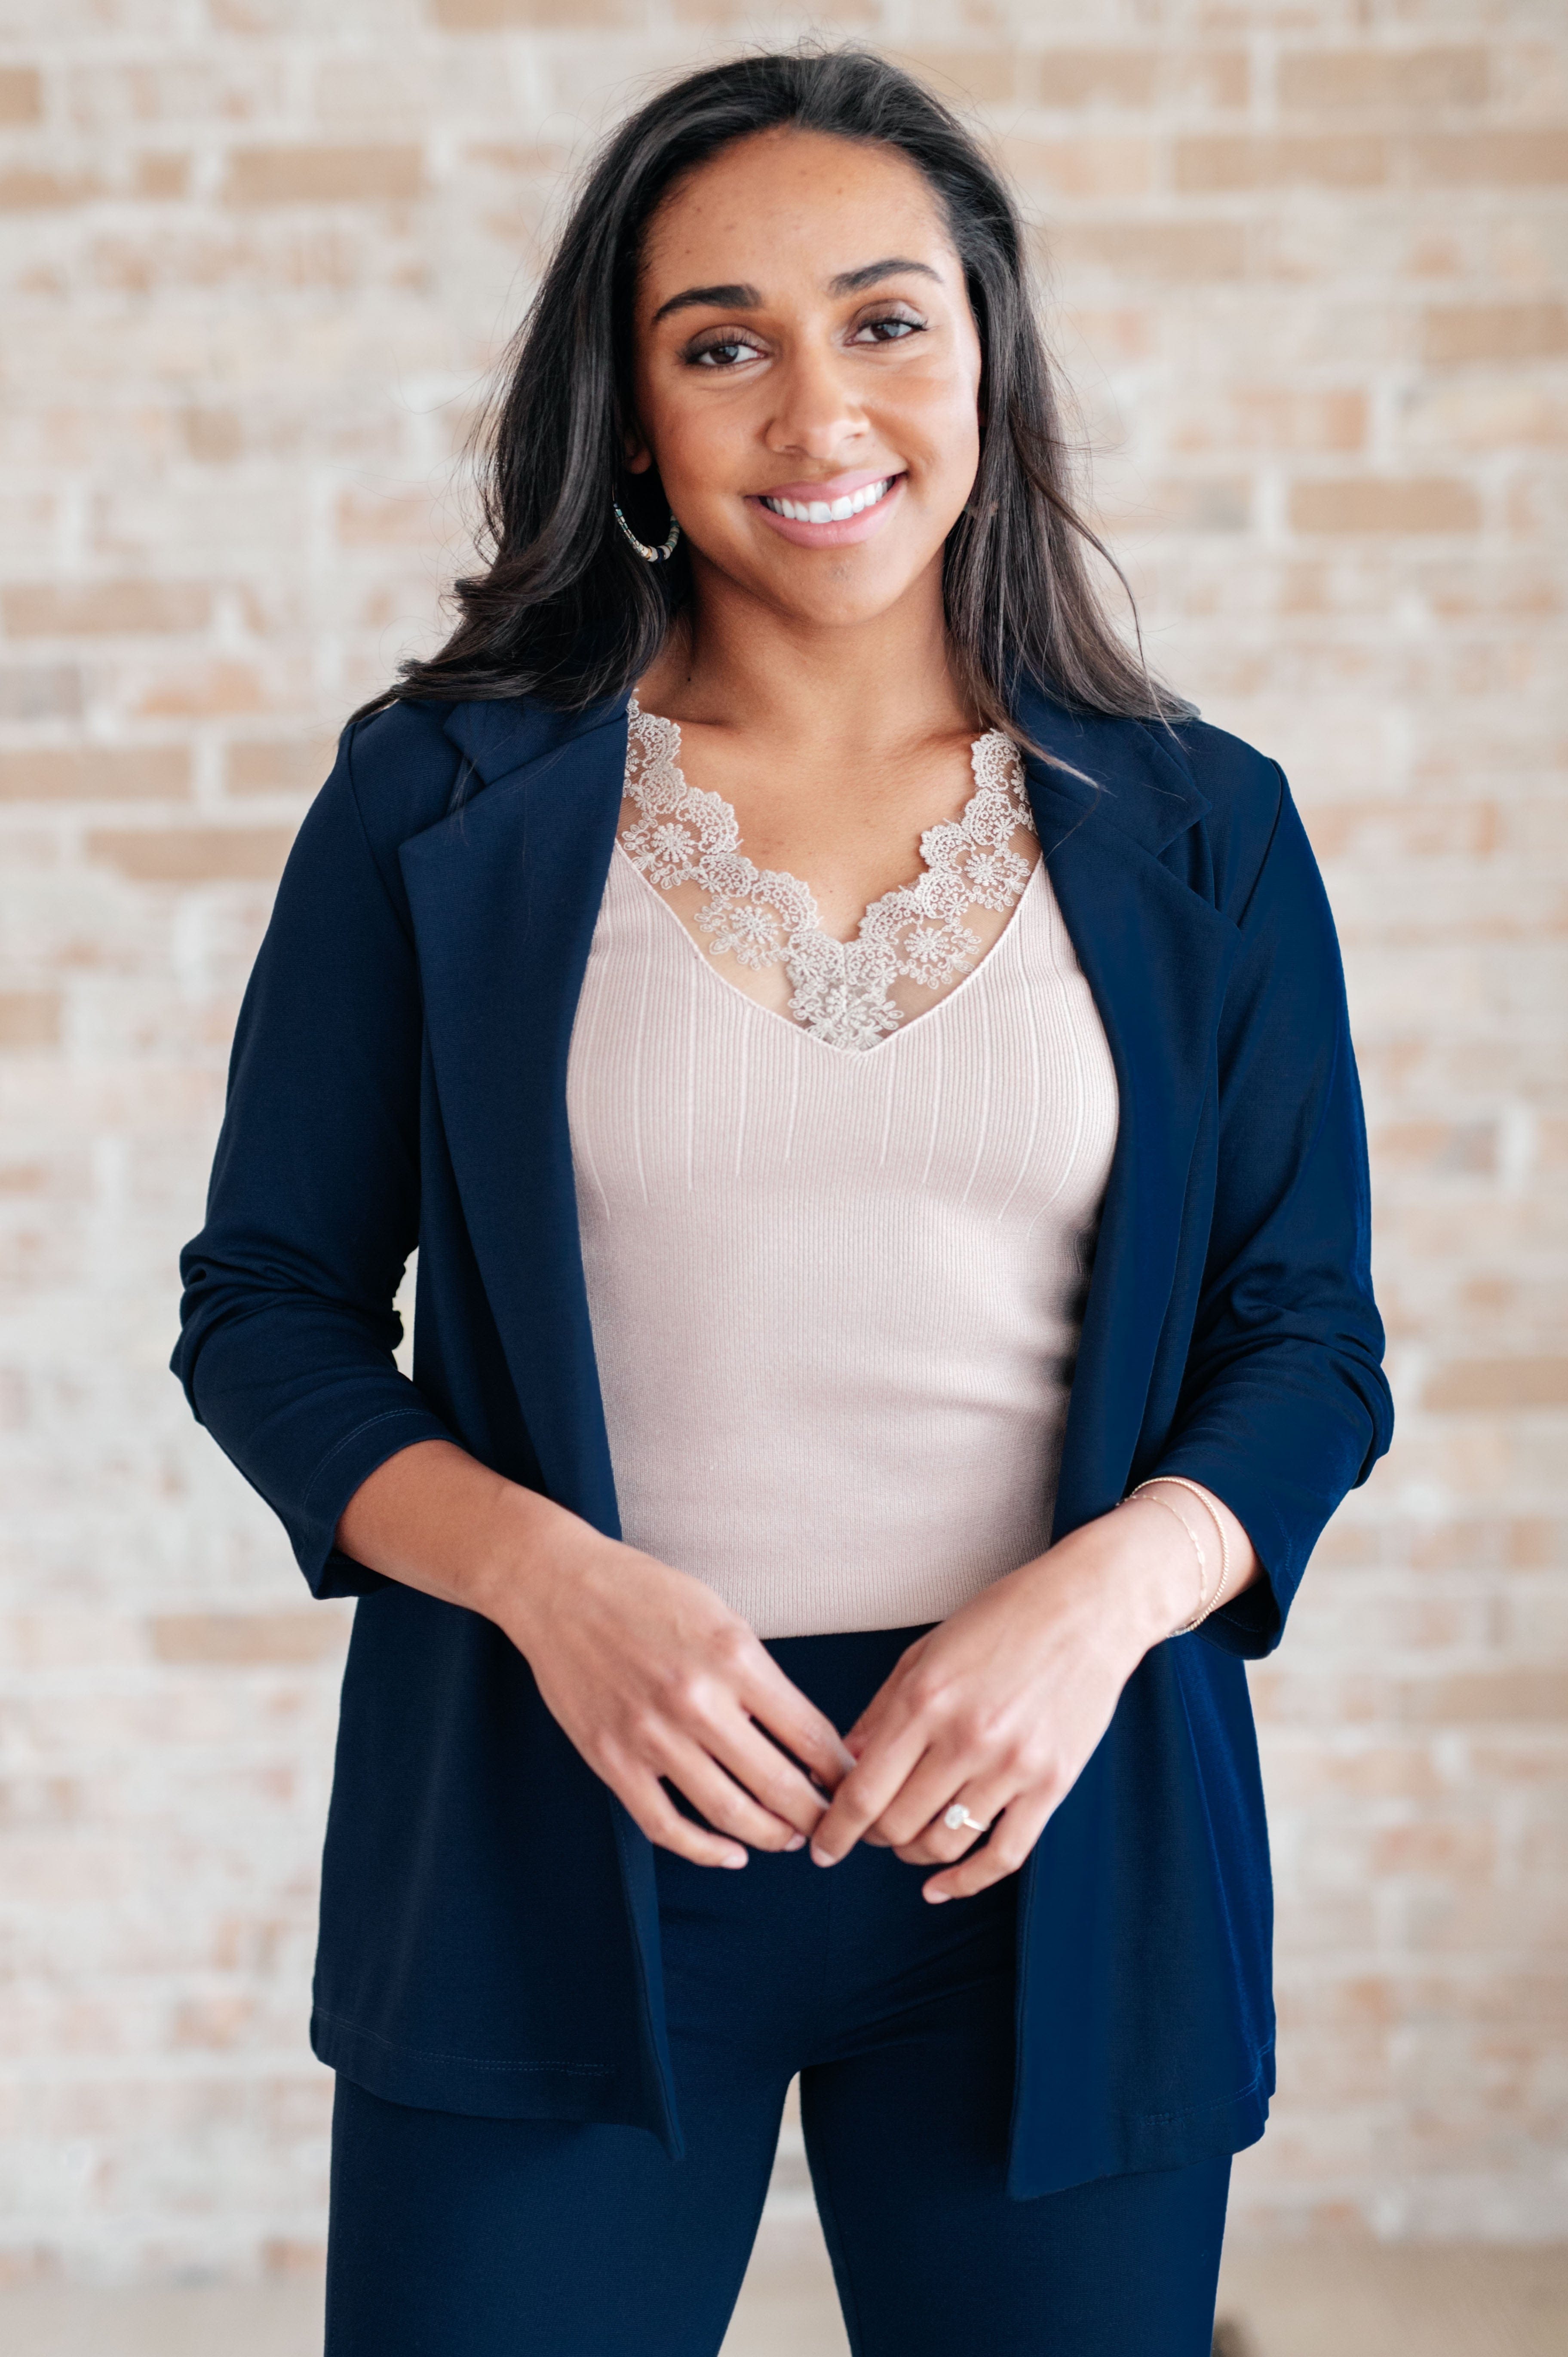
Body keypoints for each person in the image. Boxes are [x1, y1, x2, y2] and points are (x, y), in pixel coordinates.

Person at [171, 46, 1393, 2357]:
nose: (815, 410)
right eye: (721, 342)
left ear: (985, 352)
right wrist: (548, 1585)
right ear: (634, 418)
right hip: (552, 1826)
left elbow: (1307, 1339)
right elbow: (269, 1307)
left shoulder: (1203, 825)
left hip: (1063, 1840)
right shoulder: (444, 799)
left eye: (883, 320)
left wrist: (1100, 1608)